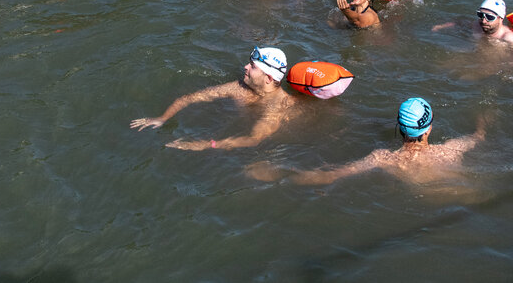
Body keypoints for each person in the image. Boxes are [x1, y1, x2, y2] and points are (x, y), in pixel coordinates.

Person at [253, 97, 485, 186]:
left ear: (400, 128)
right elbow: (478, 137)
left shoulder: (384, 158)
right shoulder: (452, 150)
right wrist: (483, 117)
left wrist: (280, 172)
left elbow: (332, 174)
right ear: (429, 129)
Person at [130, 47, 297, 150]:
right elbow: (190, 98)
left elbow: (253, 140)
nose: (245, 67)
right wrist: (162, 118)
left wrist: (204, 145)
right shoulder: (237, 88)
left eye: (252, 66)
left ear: (268, 78)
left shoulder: (279, 106)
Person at [433, 0, 513, 62]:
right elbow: (459, 22)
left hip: (494, 63)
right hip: (474, 55)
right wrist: (440, 27)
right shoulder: (476, 25)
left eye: (490, 17)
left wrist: (512, 64)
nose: (483, 20)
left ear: (501, 18)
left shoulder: (508, 37)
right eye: (480, 15)